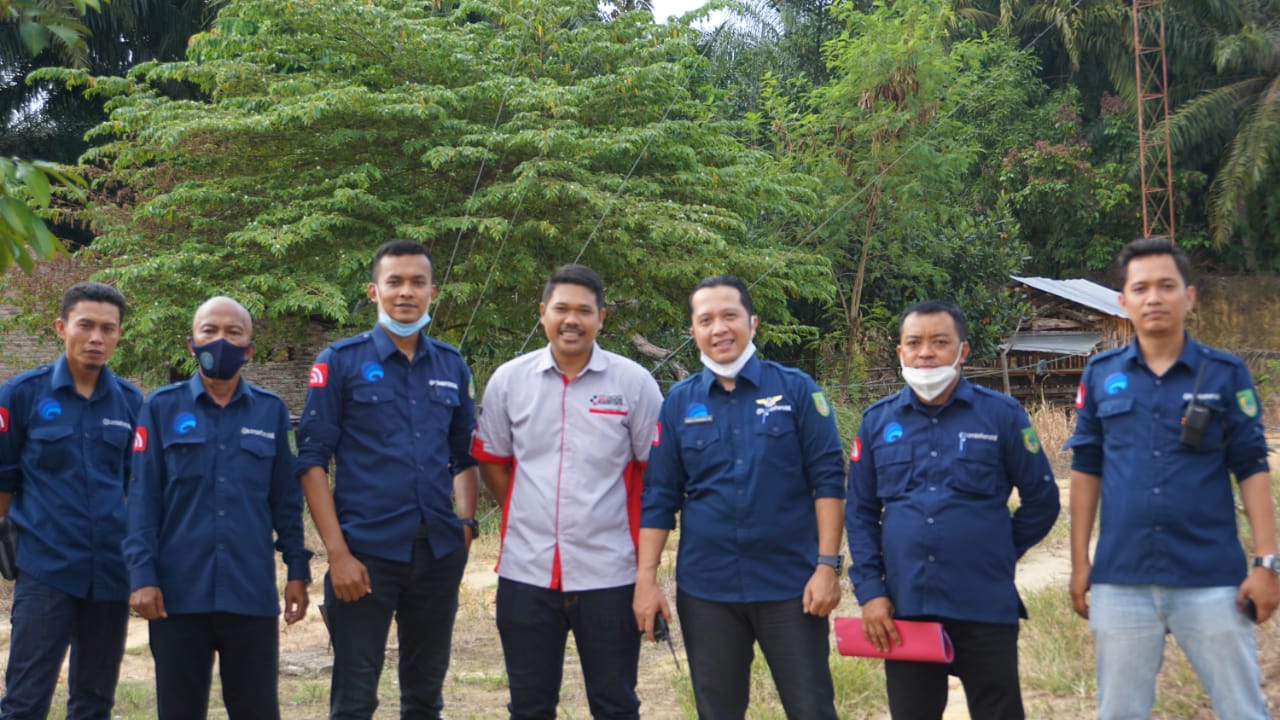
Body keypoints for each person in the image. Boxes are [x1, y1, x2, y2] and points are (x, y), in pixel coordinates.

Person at [1066, 237, 1278, 719]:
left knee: (1242, 709)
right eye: (1140, 288)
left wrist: (1268, 564)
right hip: (1121, 579)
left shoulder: (1225, 374)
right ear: (1123, 301)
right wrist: (1080, 562)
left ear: (1190, 296)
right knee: (1119, 712)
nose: (1154, 298)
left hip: (1212, 579)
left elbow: (1252, 467)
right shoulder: (1100, 375)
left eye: (1167, 286)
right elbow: (1086, 468)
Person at [634, 275, 845, 720]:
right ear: (693, 331)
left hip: (792, 586)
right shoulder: (678, 403)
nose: (719, 329)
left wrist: (827, 567)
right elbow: (659, 496)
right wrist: (646, 579)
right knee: (717, 710)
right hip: (707, 590)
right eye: (706, 320)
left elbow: (828, 480)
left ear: (752, 321)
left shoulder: (796, 390)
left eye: (729, 316)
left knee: (811, 707)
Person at [845, 300, 1060, 719]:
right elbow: (860, 513)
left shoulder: (1001, 415)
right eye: (914, 343)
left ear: (962, 351)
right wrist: (871, 593)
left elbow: (1043, 499)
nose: (926, 353)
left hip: (984, 601)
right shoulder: (876, 422)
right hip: (906, 606)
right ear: (900, 352)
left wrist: (999, 550)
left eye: (940, 342)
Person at [296, 239, 480, 720]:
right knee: (355, 699)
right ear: (373, 291)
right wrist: (337, 555)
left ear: (432, 292)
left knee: (425, 697)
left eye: (418, 282)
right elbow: (312, 462)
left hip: (437, 554)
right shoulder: (339, 361)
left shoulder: (451, 365)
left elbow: (464, 457)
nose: (406, 292)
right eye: (394, 281)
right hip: (364, 555)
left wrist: (465, 523)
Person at [472, 265, 663, 719]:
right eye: (561, 309)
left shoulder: (634, 383)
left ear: (601, 318)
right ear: (543, 313)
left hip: (610, 573)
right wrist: (526, 510)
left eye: (584, 311)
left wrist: (647, 575)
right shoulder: (509, 381)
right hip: (526, 572)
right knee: (529, 706)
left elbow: (655, 477)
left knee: (615, 703)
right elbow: (492, 461)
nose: (571, 320)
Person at [124, 296, 311, 719]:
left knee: (257, 711)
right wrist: (142, 576)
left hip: (250, 593)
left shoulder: (271, 411)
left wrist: (297, 569)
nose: (220, 340)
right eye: (209, 331)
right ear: (191, 344)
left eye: (233, 332)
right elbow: (143, 499)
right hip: (177, 596)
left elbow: (286, 501)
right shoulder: (160, 408)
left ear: (250, 349)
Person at [0, 282, 142, 720]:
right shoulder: (21, 395)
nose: (96, 337)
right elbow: (3, 483)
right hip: (46, 568)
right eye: (85, 325)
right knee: (24, 701)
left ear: (118, 335)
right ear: (62, 327)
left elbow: (139, 489)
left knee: (94, 702)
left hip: (111, 573)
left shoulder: (132, 403)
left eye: (107, 328)